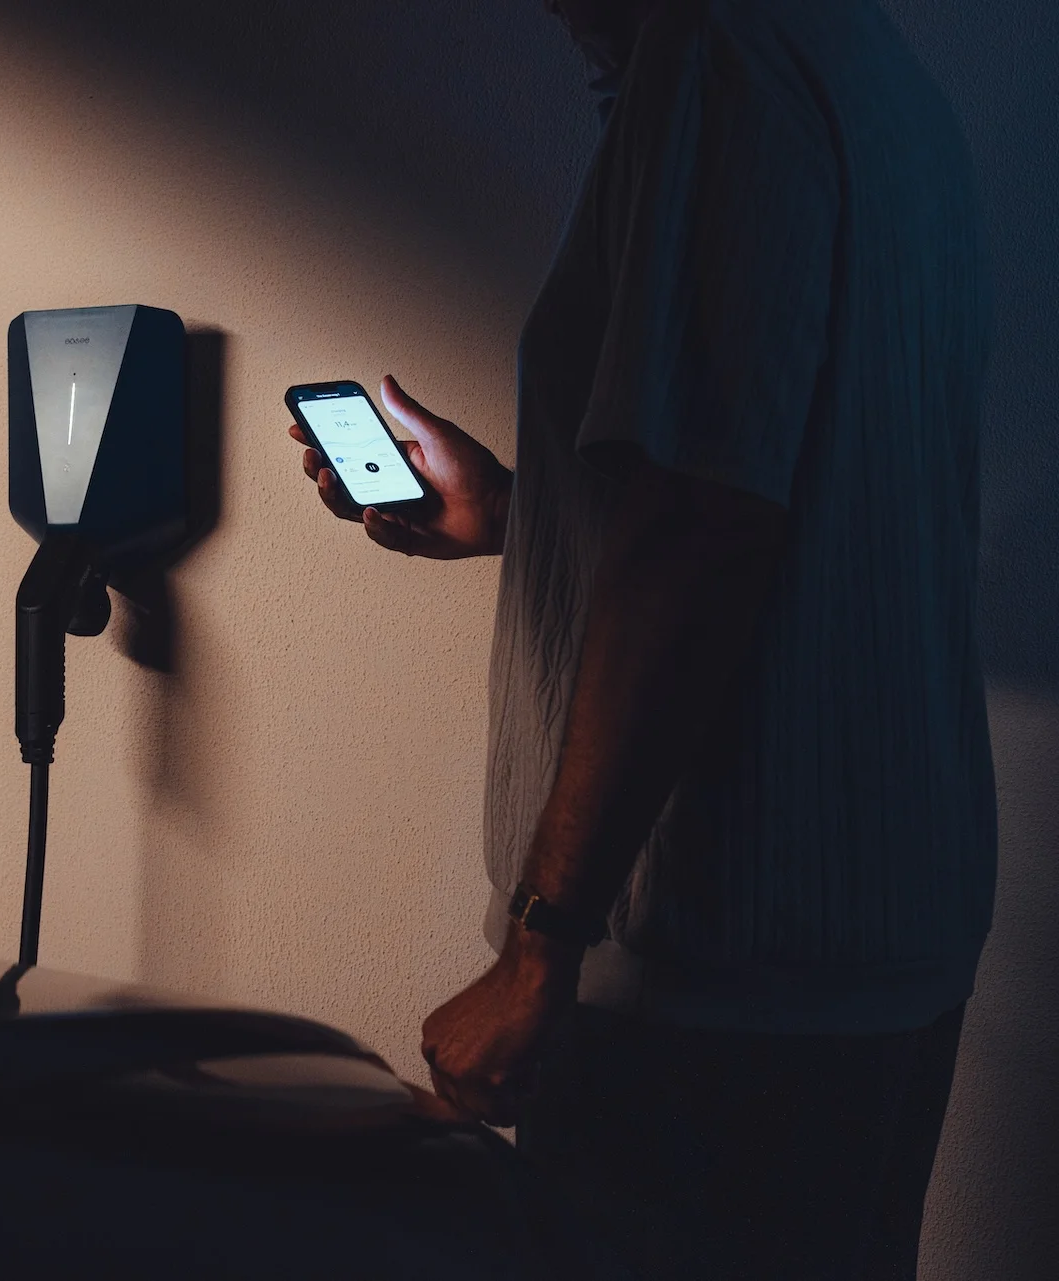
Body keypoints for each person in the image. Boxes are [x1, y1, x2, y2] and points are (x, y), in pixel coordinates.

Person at [290, 0, 994, 1277]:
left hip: (711, 981)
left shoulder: (724, 55)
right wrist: (518, 510)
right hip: (870, 961)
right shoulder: (877, 76)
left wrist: (541, 945)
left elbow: (701, 530)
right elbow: (801, 494)